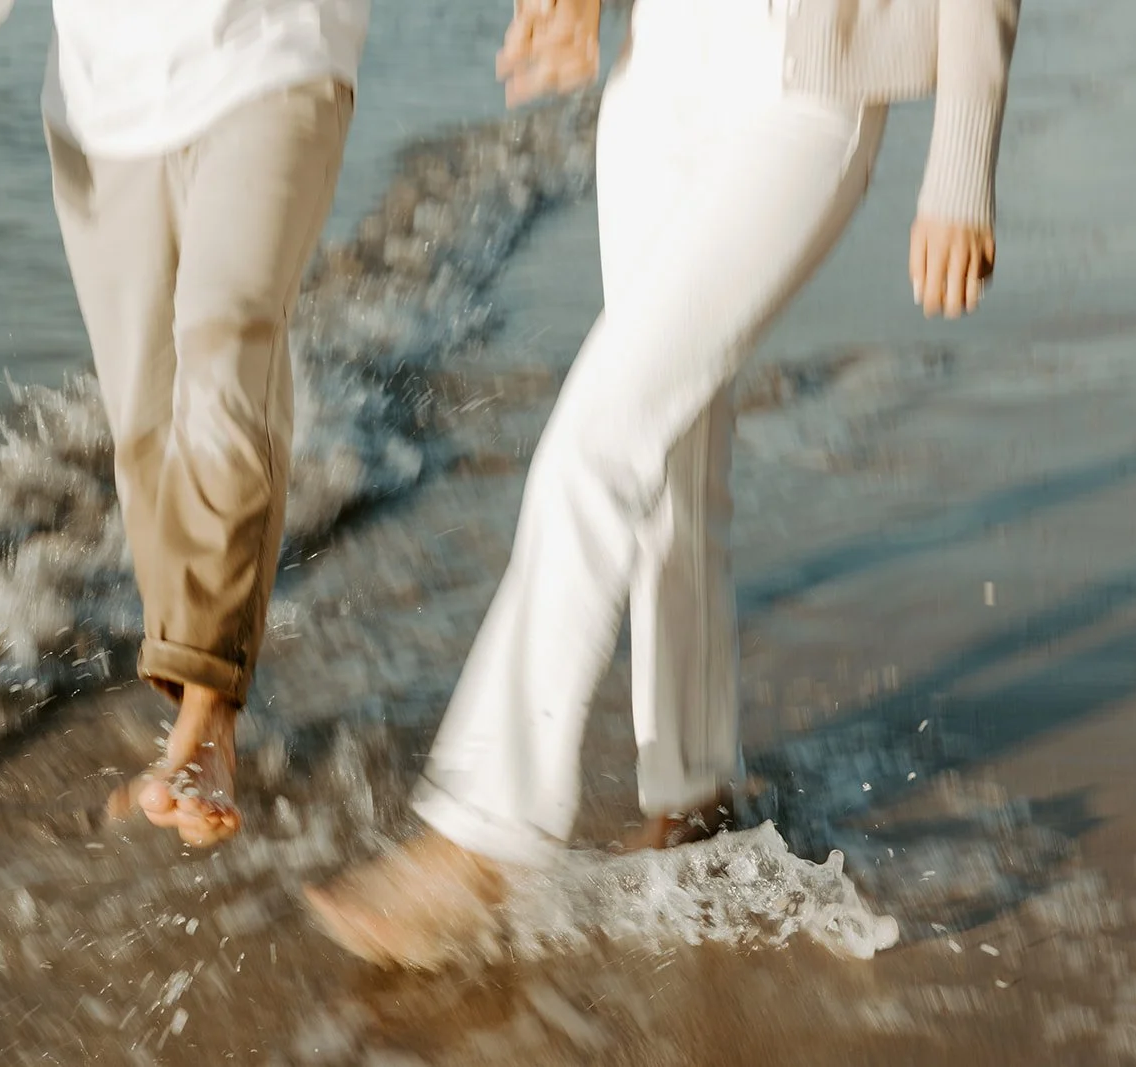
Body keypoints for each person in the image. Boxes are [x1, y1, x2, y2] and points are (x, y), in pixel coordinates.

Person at [304, 0, 1021, 967]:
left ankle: (481, 836)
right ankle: (693, 790)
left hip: (803, 93)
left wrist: (961, 160)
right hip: (659, 82)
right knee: (674, 459)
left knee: (594, 446)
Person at [0, 0, 369, 847]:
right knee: (147, 425)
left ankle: (201, 723)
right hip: (102, 112)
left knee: (226, 341)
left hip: (275, 57)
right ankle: (206, 714)